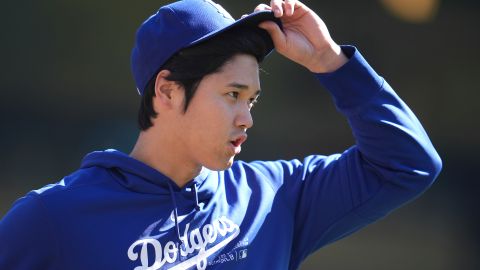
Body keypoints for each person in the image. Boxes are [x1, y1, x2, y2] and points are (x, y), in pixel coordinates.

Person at [0, 0, 442, 269]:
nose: (247, 117)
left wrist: (330, 62)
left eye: (251, 100)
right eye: (232, 94)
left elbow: (409, 164)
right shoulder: (52, 219)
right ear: (168, 91)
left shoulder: (275, 199)